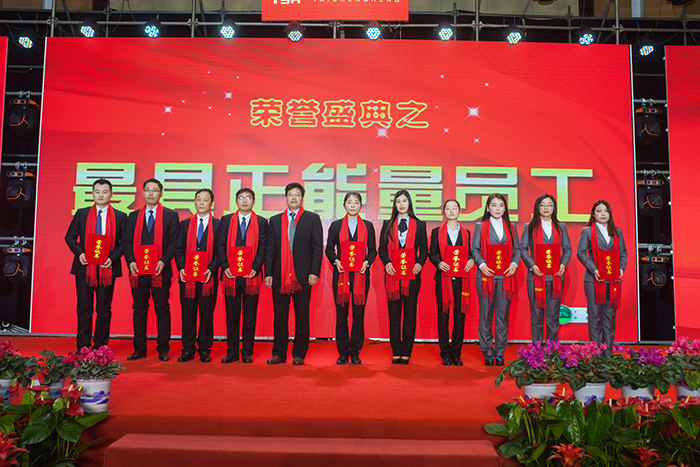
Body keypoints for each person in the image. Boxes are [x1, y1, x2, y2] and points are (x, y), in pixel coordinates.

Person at [65, 178, 127, 351]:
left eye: (104, 192)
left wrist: (112, 258)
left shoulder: (121, 216)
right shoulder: (82, 214)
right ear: (92, 193)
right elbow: (69, 237)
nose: (101, 195)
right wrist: (80, 253)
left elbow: (125, 242)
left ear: (111, 194)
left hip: (108, 268)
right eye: (97, 192)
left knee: (104, 309)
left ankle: (101, 347)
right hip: (85, 268)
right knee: (84, 309)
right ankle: (83, 347)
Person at [264, 182, 323, 366]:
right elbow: (270, 249)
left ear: (302, 197)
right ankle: (279, 353)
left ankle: (299, 354)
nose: (294, 197)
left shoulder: (312, 218)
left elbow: (317, 248)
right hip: (279, 276)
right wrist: (268, 273)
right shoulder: (275, 220)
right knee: (280, 317)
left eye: (297, 194)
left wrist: (314, 272)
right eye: (290, 194)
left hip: (303, 276)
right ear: (286, 197)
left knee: (302, 317)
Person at [123, 178, 180, 362]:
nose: (151, 193)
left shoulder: (171, 215)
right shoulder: (133, 216)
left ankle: (163, 349)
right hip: (138, 271)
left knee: (162, 309)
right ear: (142, 193)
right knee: (139, 309)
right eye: (147, 190)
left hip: (160, 271)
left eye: (155, 190)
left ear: (161, 193)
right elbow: (127, 242)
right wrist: (131, 262)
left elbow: (174, 243)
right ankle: (139, 348)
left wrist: (164, 261)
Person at [325, 192, 377, 365]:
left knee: (358, 314)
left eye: (356, 202)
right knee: (341, 314)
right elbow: (329, 249)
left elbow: (373, 250)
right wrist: (336, 261)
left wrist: (367, 263)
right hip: (341, 275)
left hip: (361, 275)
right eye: (349, 202)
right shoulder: (336, 225)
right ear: (344, 205)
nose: (353, 205)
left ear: (361, 206)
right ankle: (342, 351)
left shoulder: (368, 226)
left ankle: (355, 350)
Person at [217, 188, 268, 364]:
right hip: (230, 276)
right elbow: (220, 245)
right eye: (241, 197)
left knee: (249, 317)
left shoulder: (261, 222)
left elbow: (263, 247)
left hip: (251, 277)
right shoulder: (226, 220)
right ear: (236, 201)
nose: (244, 201)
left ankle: (247, 351)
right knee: (231, 317)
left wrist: (256, 267)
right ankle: (232, 351)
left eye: (248, 198)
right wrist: (225, 267)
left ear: (254, 201)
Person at [378, 190, 428, 365]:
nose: (401, 204)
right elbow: (382, 249)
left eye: (404, 201)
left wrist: (419, 264)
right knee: (394, 316)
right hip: (392, 276)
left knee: (409, 315)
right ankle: (396, 350)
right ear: (395, 204)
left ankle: (406, 351)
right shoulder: (387, 224)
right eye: (398, 201)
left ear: (409, 203)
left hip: (412, 277)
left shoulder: (419, 225)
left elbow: (424, 250)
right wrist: (387, 263)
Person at [472, 193, 521, 367]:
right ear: (487, 208)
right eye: (494, 205)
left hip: (506, 276)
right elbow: (475, 250)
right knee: (486, 314)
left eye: (501, 205)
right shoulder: (480, 226)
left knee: (502, 314)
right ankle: (487, 350)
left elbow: (517, 250)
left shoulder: (511, 227)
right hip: (486, 276)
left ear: (505, 208)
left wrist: (514, 263)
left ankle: (500, 351)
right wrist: (481, 264)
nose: (498, 208)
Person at [174, 189, 220, 363]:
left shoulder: (218, 225)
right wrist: (181, 268)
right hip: (188, 278)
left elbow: (221, 251)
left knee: (206, 316)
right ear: (194, 202)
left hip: (208, 278)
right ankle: (187, 349)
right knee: (188, 315)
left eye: (205, 200)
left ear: (212, 203)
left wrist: (211, 269)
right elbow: (178, 249)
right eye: (198, 199)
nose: (201, 203)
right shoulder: (184, 225)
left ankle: (204, 349)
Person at [576, 200, 627, 356]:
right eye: (599, 211)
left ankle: (608, 353)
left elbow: (623, 253)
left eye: (606, 210)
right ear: (593, 214)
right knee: (595, 317)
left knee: (609, 316)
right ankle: (596, 353)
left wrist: (620, 269)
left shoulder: (617, 232)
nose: (603, 214)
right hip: (594, 280)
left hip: (613, 280)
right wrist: (594, 269)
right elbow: (581, 253)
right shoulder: (586, 231)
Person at [519, 194, 572, 343]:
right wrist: (532, 266)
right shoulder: (530, 227)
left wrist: (563, 264)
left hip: (556, 277)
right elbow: (522, 249)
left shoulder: (561, 227)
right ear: (537, 207)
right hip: (536, 276)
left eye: (550, 204)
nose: (546, 208)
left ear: (554, 208)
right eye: (542, 204)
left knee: (553, 315)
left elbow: (567, 249)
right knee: (536, 314)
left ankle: (551, 349)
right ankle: (536, 351)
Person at [428, 199, 474, 366]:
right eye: (448, 208)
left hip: (461, 281)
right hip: (443, 280)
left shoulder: (466, 233)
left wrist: (471, 260)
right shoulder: (436, 232)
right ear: (444, 212)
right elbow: (431, 254)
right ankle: (445, 353)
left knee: (459, 317)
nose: (451, 211)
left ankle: (456, 353)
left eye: (455, 208)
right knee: (443, 317)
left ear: (460, 211)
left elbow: (470, 253)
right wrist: (439, 263)